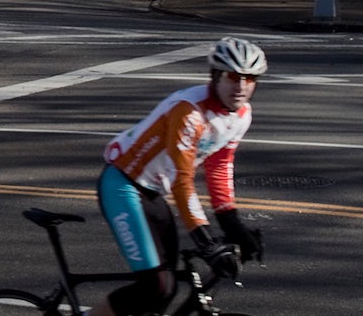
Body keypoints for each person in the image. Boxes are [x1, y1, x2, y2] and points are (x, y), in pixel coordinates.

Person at [87, 36, 267, 316]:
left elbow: (219, 166)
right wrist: (205, 239)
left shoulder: (241, 115)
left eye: (250, 78)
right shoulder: (189, 112)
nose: (241, 86)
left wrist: (233, 225)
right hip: (123, 185)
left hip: (152, 192)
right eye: (233, 76)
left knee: (166, 292)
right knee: (156, 285)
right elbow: (182, 180)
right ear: (216, 76)